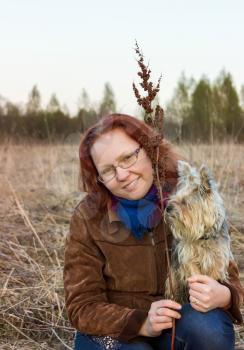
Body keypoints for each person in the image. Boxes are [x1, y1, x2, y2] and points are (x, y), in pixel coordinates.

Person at [63, 114, 243, 350]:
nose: (122, 175)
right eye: (107, 171)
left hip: (174, 326)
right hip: (115, 333)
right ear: (98, 178)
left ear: (148, 149)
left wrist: (224, 296)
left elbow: (228, 277)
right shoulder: (88, 217)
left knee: (208, 329)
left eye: (127, 158)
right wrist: (142, 323)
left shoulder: (188, 200)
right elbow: (82, 306)